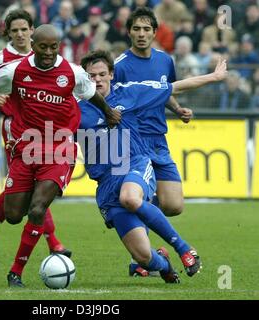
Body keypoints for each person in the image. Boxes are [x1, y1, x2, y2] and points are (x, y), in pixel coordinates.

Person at [0, 24, 121, 288]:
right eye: (44, 47)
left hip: (59, 149)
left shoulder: (72, 72)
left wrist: (108, 112)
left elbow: (91, 95)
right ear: (34, 45)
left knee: (37, 209)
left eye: (54, 47)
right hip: (26, 149)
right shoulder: (15, 69)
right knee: (15, 214)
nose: (49, 52)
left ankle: (15, 272)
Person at [78, 49, 227, 282]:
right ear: (84, 78)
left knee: (130, 198)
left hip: (134, 164)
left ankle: (184, 248)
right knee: (143, 257)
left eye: (101, 74)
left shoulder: (130, 93)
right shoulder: (75, 108)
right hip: (106, 184)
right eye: (91, 76)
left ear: (111, 75)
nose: (96, 80)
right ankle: (164, 265)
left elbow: (174, 87)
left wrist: (213, 77)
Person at [0, 9, 72, 265]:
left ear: (32, 30)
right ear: (7, 32)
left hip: (49, 133)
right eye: (14, 30)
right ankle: (53, 242)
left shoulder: (44, 53)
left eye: (24, 29)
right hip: (16, 130)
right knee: (29, 186)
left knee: (30, 188)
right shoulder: (0, 59)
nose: (19, 34)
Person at [112, 7, 193, 276]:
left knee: (173, 206)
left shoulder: (165, 61)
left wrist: (178, 109)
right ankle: (141, 259)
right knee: (138, 197)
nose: (142, 34)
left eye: (147, 29)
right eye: (136, 29)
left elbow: (164, 92)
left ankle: (142, 224)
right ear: (129, 32)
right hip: (134, 142)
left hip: (159, 140)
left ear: (155, 32)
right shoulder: (120, 66)